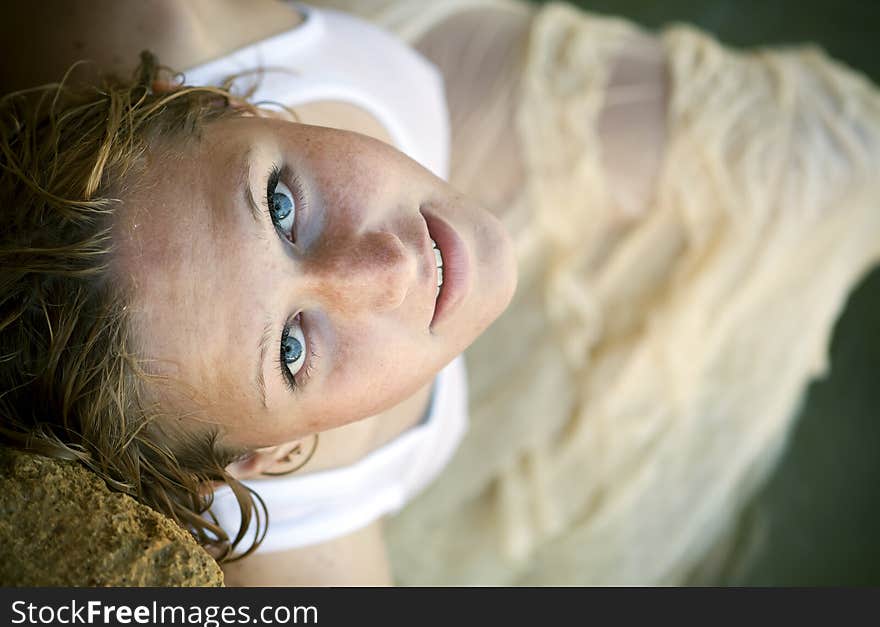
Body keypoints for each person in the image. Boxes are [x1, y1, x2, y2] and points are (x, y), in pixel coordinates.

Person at [1, 0, 878, 586]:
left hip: (445, 95)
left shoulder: (129, 20)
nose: (387, 270)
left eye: (280, 206)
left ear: (213, 100)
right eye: (293, 348)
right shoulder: (310, 548)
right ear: (254, 463)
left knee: (832, 154)